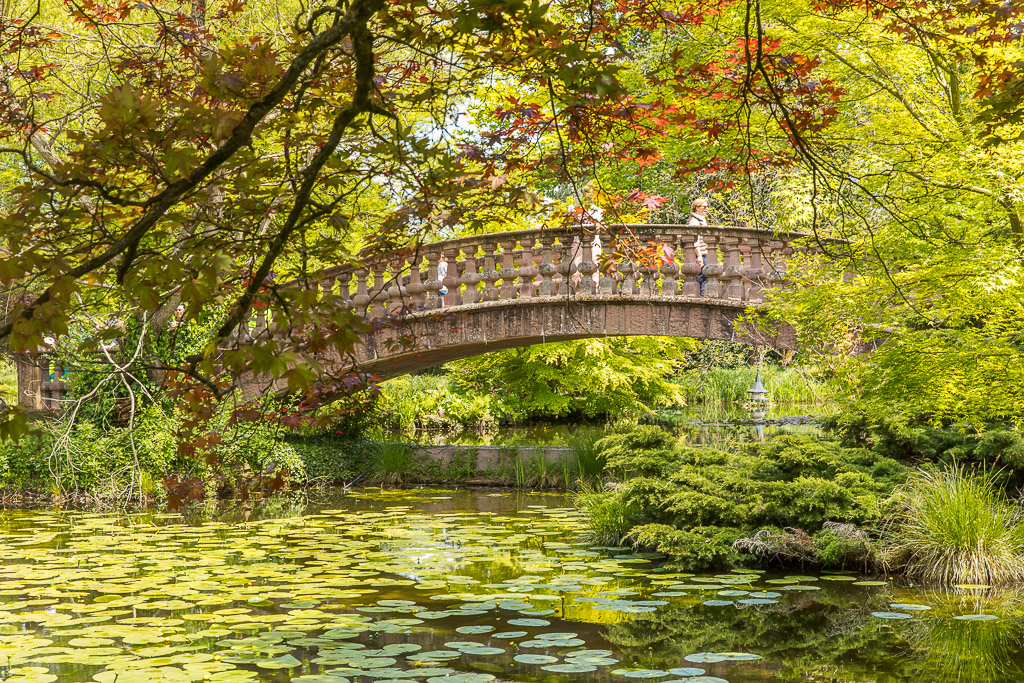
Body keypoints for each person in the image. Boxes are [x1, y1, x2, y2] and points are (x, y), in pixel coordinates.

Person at [687, 198, 710, 295]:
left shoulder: (701, 220)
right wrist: (699, 256)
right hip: (699, 252)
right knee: (702, 275)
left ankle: (701, 295)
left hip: (704, 251)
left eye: (707, 206)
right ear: (696, 208)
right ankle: (696, 295)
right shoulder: (694, 221)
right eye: (704, 207)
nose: (706, 209)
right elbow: (694, 240)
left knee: (704, 275)